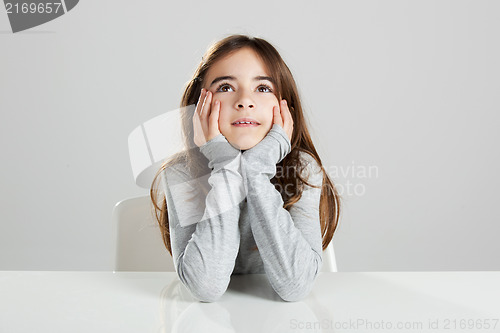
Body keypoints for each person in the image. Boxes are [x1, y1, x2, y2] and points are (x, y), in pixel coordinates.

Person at [150, 34, 342, 302]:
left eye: (263, 88)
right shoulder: (181, 173)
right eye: (226, 87)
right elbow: (205, 287)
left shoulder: (302, 169)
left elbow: (295, 286)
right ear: (199, 105)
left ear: (284, 106)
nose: (244, 101)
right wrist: (225, 163)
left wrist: (256, 171)